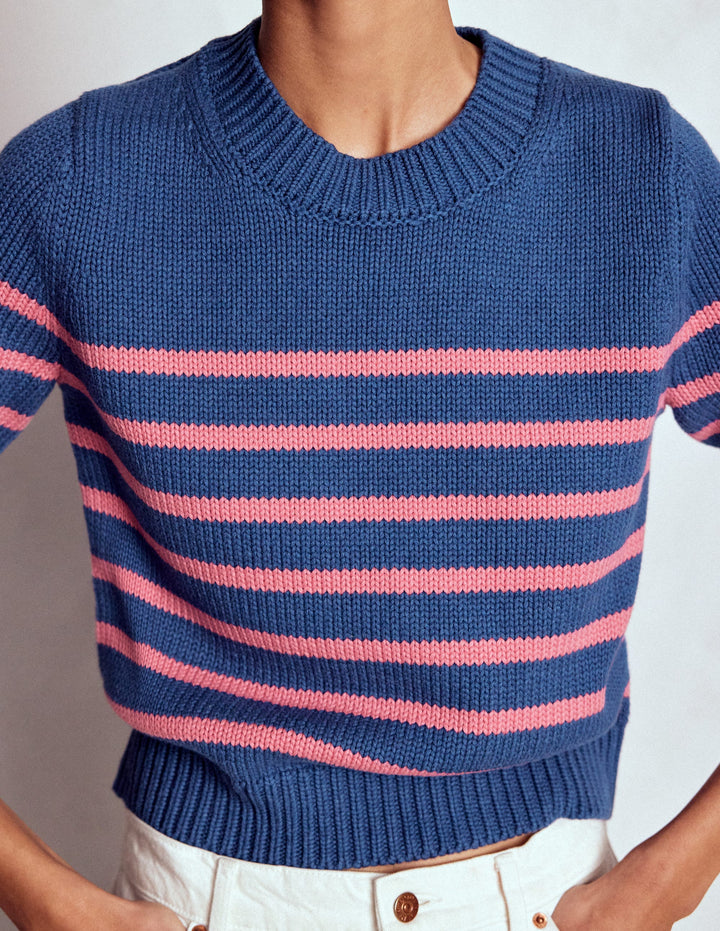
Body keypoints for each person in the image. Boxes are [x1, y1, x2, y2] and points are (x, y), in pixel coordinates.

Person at [0, 1, 718, 929]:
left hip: (546, 895)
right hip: (209, 897)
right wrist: (45, 900)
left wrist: (679, 873)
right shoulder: (77, 177)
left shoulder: (645, 173)